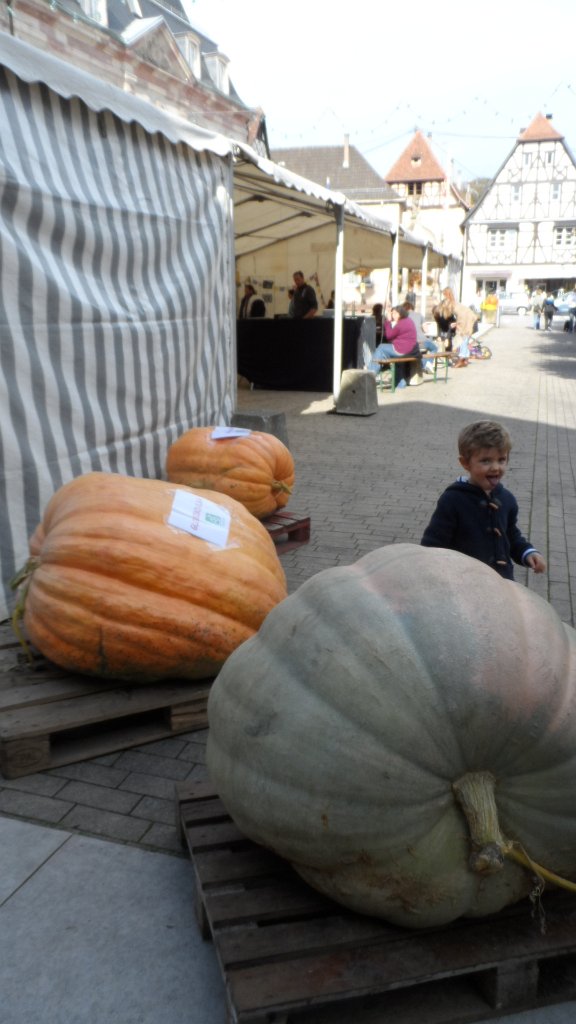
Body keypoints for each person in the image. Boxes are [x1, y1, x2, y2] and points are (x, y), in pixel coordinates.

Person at [421, 420, 547, 581]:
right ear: (465, 463)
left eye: (501, 459)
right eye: (486, 460)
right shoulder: (453, 500)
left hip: (502, 582)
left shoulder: (507, 499)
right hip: (463, 583)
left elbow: (511, 536)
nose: (495, 467)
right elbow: (433, 545)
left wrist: (528, 552)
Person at [368, 303, 419, 389]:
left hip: (402, 350)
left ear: (401, 313)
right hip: (410, 350)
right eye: (392, 313)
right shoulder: (408, 321)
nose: (393, 315)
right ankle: (401, 383)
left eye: (395, 313)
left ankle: (369, 375)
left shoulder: (401, 323)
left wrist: (388, 321)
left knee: (381, 348)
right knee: (396, 359)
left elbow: (389, 335)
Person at [403, 300, 437, 374]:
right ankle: (427, 363)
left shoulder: (403, 317)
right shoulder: (419, 315)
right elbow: (426, 330)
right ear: (412, 308)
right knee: (434, 348)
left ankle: (425, 364)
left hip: (411, 344)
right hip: (423, 341)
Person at [451, 302, 478, 368]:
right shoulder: (462, 309)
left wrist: (459, 327)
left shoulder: (459, 310)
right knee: (465, 342)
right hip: (470, 325)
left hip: (467, 326)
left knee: (463, 342)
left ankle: (461, 359)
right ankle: (465, 359)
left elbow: (462, 320)